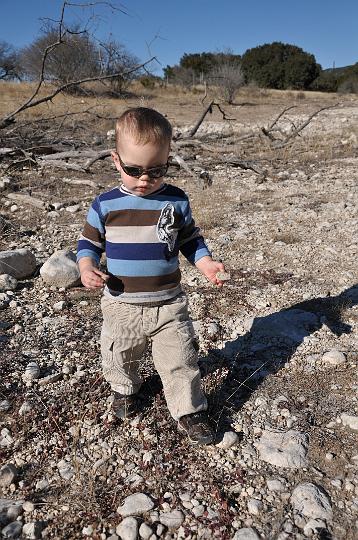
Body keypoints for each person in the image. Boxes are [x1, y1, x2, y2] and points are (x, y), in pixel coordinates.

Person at [77, 107, 226, 445]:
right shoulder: (105, 204)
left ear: (167, 160)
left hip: (169, 304)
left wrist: (204, 263)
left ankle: (189, 410)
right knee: (119, 353)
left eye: (156, 170)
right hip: (121, 304)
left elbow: (189, 239)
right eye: (134, 169)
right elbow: (87, 243)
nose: (145, 179)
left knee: (181, 358)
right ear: (116, 161)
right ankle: (125, 390)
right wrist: (86, 267)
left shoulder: (175, 200)